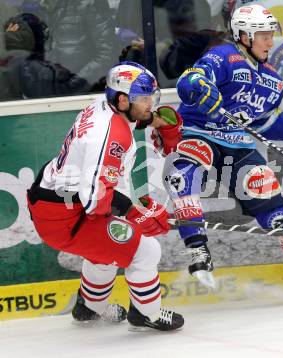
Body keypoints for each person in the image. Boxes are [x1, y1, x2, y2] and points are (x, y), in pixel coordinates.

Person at [161, 4, 283, 300]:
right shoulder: (224, 56)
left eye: (271, 35)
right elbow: (189, 80)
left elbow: (266, 122)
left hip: (238, 144)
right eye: (263, 35)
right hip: (199, 133)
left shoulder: (271, 80)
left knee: (276, 212)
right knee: (184, 175)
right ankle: (197, 250)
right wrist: (199, 86)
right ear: (244, 35)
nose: (270, 41)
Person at [26, 61, 184, 331]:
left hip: (54, 203)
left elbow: (96, 188)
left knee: (105, 249)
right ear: (123, 100)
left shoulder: (104, 105)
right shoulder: (112, 136)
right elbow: (95, 200)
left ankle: (89, 309)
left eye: (151, 97)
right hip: (66, 217)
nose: (150, 104)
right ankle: (146, 314)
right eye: (144, 99)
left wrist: (155, 121)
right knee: (144, 249)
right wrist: (135, 212)